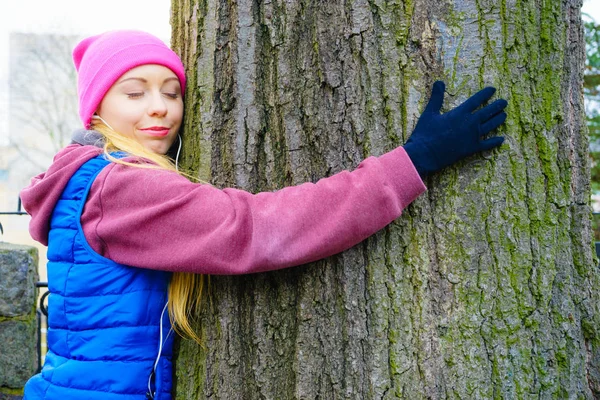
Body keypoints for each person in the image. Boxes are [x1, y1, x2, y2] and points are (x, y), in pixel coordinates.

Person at [20, 30, 508, 400]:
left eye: (172, 91)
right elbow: (255, 229)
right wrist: (410, 164)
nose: (162, 109)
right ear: (97, 108)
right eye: (135, 92)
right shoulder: (121, 186)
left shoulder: (87, 178)